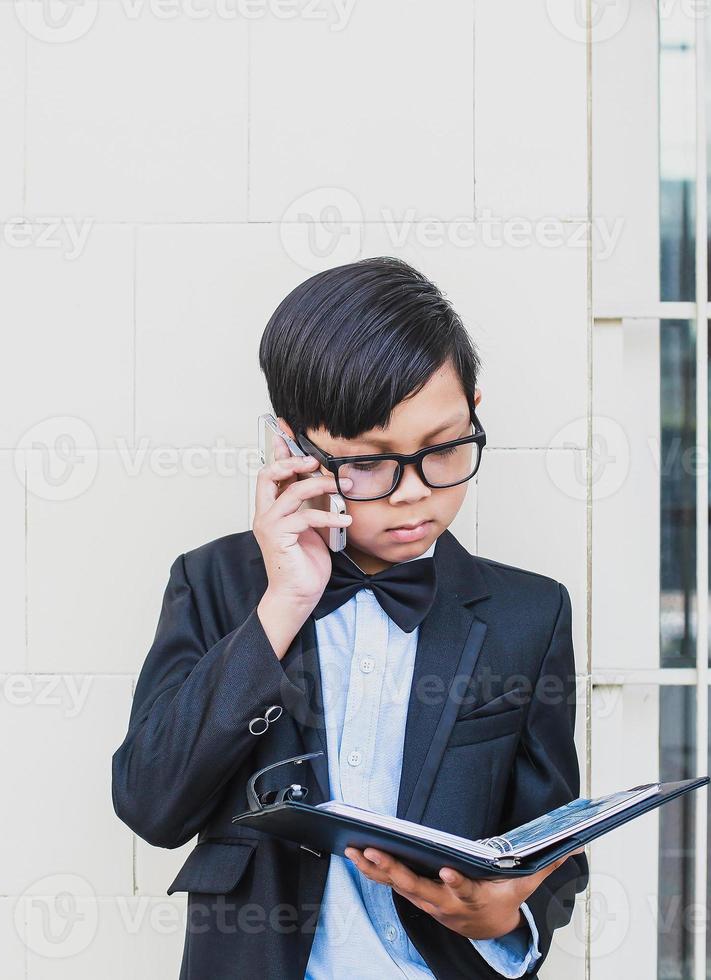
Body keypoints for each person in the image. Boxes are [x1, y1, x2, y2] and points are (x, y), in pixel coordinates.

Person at [111, 256, 588, 979]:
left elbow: (550, 845)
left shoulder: (531, 612)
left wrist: (509, 913)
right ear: (292, 449)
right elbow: (152, 805)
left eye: (445, 448)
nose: (412, 494)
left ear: (474, 412)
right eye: (366, 463)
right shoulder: (214, 584)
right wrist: (283, 605)